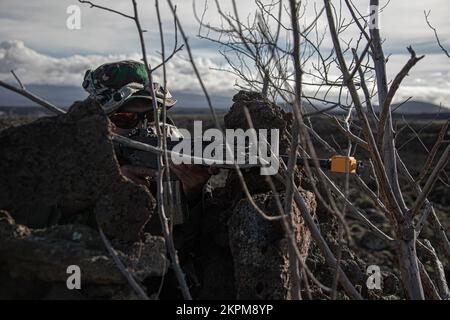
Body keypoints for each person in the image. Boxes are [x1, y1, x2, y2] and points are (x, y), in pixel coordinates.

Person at [82, 60, 217, 208]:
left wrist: (193, 192)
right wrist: (111, 184)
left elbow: (190, 228)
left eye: (152, 115)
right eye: (125, 118)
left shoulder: (173, 142)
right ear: (97, 122)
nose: (142, 126)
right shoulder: (76, 156)